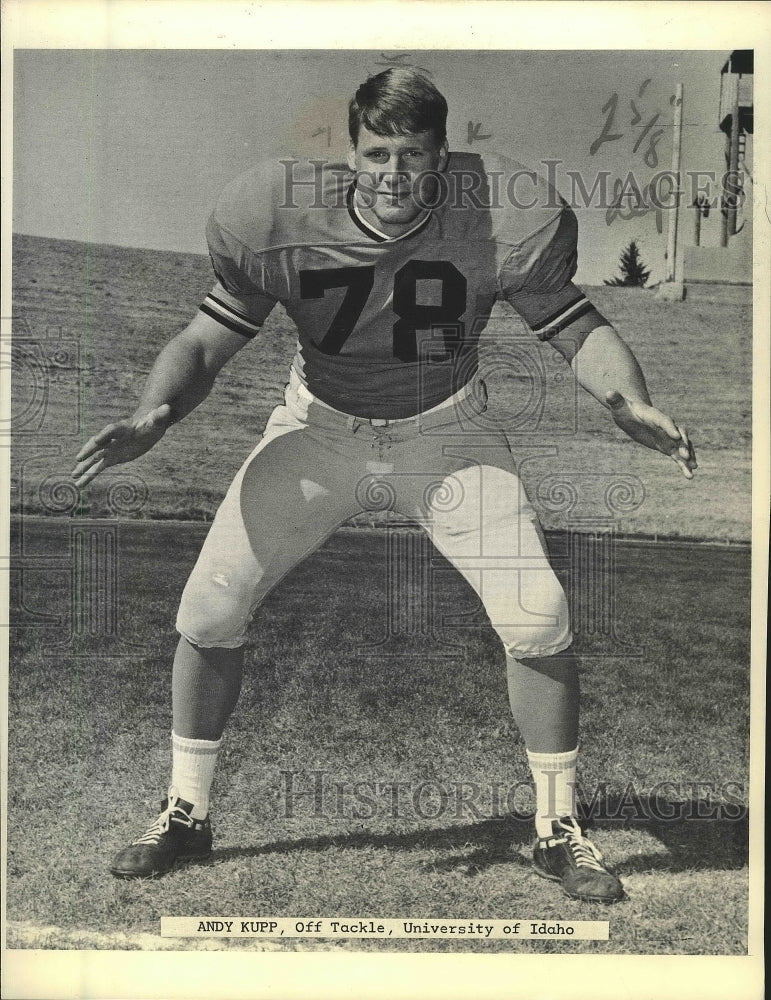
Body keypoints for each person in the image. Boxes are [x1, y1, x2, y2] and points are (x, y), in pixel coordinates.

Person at [72, 68, 696, 903]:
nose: (395, 173)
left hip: (446, 431)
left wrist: (629, 402)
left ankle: (557, 829)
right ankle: (185, 811)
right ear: (350, 152)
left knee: (537, 611)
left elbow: (575, 327)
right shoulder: (277, 211)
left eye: (414, 154)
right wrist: (155, 415)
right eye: (377, 153)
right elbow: (205, 338)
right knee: (210, 609)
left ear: (444, 154)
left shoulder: (504, 212)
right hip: (318, 429)